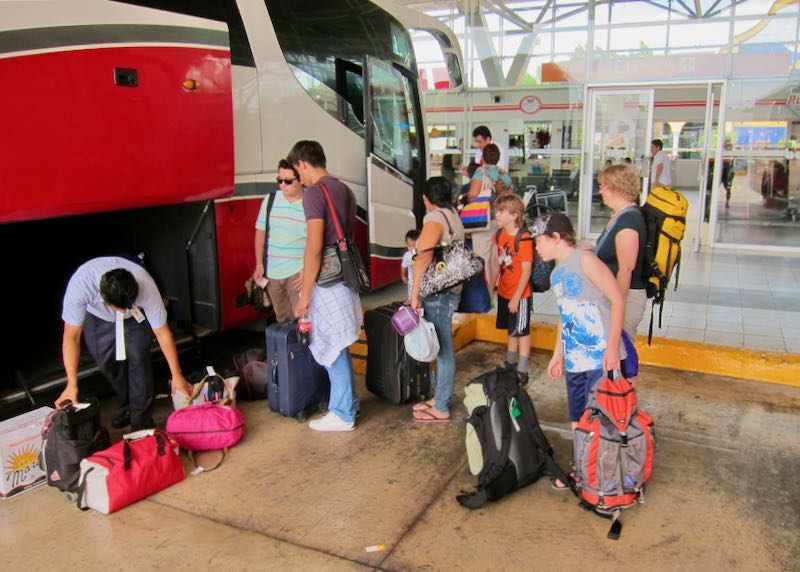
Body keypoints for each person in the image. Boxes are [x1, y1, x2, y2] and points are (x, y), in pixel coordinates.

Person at [534, 214, 625, 487]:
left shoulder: (586, 260)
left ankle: (604, 475)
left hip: (600, 357)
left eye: (539, 241)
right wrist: (557, 354)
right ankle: (582, 470)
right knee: (577, 417)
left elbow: (618, 300)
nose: (537, 248)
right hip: (575, 359)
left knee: (601, 418)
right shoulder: (556, 273)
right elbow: (565, 314)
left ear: (556, 237)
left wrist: (611, 348)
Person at [56, 257, 192, 430]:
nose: (123, 311)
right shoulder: (81, 287)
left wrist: (177, 375)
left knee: (139, 359)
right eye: (119, 308)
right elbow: (71, 337)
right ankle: (129, 407)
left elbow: (162, 332)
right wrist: (71, 384)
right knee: (107, 362)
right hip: (98, 318)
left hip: (136, 317)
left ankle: (141, 421)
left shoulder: (146, 286)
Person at [290, 140, 362, 432]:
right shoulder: (344, 189)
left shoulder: (314, 194)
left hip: (327, 282)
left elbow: (315, 246)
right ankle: (349, 403)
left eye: (298, 171)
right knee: (341, 342)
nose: (300, 178)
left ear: (303, 163)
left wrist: (304, 296)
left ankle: (342, 413)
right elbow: (343, 237)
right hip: (345, 276)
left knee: (332, 345)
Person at [410, 177, 465, 423]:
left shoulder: (434, 218)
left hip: (438, 292)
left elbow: (423, 258)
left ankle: (441, 406)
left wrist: (414, 294)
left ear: (426, 199)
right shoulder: (453, 216)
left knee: (443, 350)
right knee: (443, 348)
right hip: (451, 288)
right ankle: (439, 397)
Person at [595, 165, 647, 380]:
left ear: (615, 188)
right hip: (616, 296)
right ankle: (613, 409)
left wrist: (616, 305)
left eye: (603, 186)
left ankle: (622, 410)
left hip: (625, 297)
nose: (600, 191)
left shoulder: (629, 221)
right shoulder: (619, 216)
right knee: (613, 362)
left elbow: (626, 269)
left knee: (620, 362)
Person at [253, 159, 307, 323]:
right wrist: (259, 264)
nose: (282, 185)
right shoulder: (270, 200)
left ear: (301, 180)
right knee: (282, 320)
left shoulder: (310, 203)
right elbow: (260, 233)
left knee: (303, 319)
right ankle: (288, 349)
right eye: (279, 180)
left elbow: (315, 240)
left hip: (297, 273)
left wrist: (306, 269)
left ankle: (304, 348)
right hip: (273, 274)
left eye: (288, 181)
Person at [490, 194, 533, 386]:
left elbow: (526, 271)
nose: (496, 214)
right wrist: (491, 287)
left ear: (514, 215)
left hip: (521, 294)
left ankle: (522, 369)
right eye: (496, 210)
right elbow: (496, 264)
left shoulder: (523, 238)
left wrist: (517, 297)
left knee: (521, 331)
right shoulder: (499, 234)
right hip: (504, 291)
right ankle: (510, 362)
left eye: (501, 211)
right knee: (511, 329)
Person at [467, 143, 510, 282]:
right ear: (498, 157)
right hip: (500, 220)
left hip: (482, 219)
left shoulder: (480, 172)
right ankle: (494, 286)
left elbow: (473, 194)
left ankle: (485, 291)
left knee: (482, 257)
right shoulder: (503, 173)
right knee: (495, 256)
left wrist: (469, 198)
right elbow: (510, 194)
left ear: (483, 157)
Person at [401, 229, 420, 301]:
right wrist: (404, 277)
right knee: (412, 300)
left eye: (415, 246)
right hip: (411, 284)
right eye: (410, 246)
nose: (412, 249)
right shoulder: (407, 255)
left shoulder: (423, 254)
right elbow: (403, 267)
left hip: (423, 285)